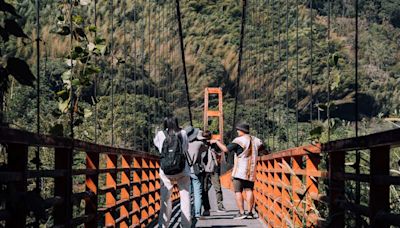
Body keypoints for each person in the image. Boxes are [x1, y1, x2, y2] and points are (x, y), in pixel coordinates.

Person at [211, 123, 266, 220]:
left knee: (238, 191)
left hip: (240, 171)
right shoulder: (256, 140)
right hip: (251, 170)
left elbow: (225, 149)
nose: (237, 131)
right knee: (249, 190)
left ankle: (241, 212)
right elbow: (263, 150)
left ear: (241, 131)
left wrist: (216, 141)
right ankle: (250, 213)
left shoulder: (238, 140)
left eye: (238, 130)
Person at [153, 117, 191, 227]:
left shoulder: (160, 134)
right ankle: (186, 225)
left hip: (166, 171)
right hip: (182, 170)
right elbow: (186, 148)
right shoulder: (183, 133)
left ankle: (163, 225)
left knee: (165, 199)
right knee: (185, 198)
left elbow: (156, 146)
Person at [200, 131, 226, 216]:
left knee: (217, 188)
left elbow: (222, 152)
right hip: (204, 169)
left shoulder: (215, 144)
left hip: (214, 169)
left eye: (207, 137)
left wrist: (217, 142)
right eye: (205, 137)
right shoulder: (200, 144)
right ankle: (206, 208)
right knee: (204, 189)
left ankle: (219, 206)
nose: (207, 138)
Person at [185, 126, 208, 219]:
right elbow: (206, 149)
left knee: (187, 193)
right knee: (197, 192)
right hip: (195, 170)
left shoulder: (183, 144)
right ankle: (197, 214)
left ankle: (188, 213)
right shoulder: (199, 144)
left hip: (185, 170)